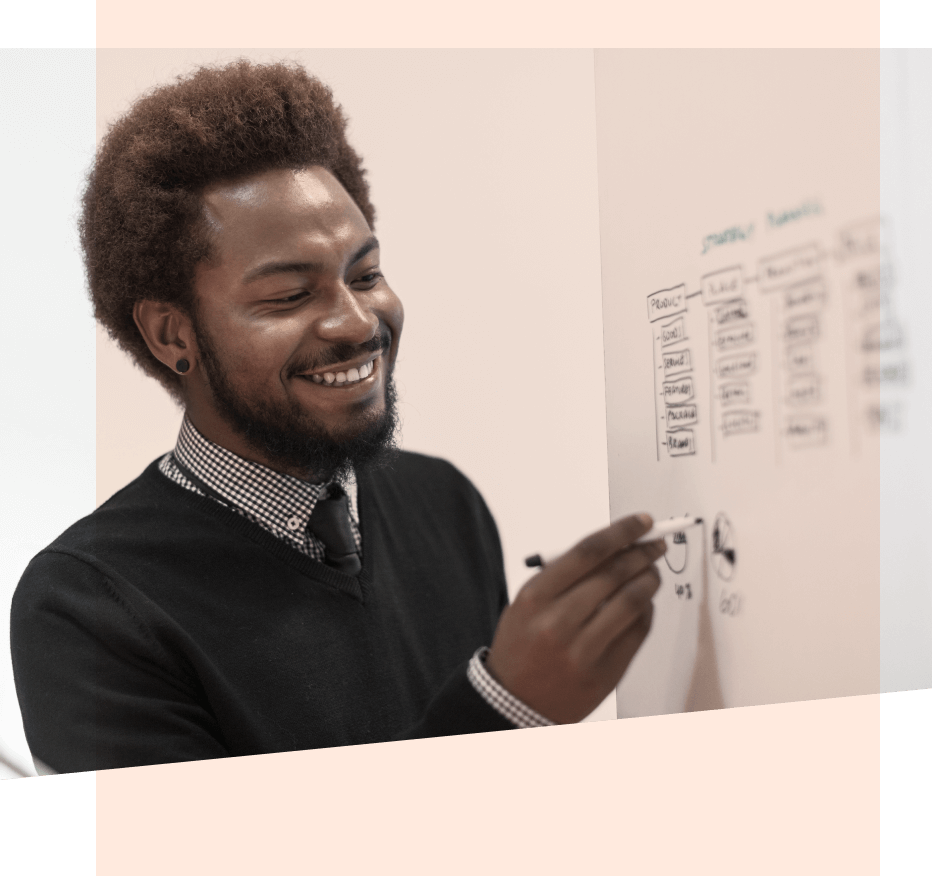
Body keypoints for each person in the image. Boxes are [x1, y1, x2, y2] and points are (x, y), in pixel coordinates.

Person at [10, 59, 665, 773]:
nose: (358, 323)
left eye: (366, 274)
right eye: (289, 296)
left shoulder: (445, 504)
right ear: (173, 335)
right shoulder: (88, 604)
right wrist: (504, 705)